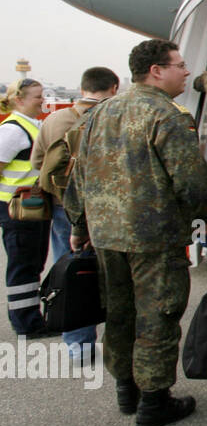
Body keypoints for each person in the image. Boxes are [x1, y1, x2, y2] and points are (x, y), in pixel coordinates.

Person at [65, 40, 207, 426]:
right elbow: (192, 182)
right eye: (179, 65)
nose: (186, 72)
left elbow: (78, 176)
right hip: (154, 237)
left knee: (119, 314)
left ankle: (125, 389)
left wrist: (80, 227)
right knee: (158, 315)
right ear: (156, 71)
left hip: (106, 236)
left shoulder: (99, 114)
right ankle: (154, 401)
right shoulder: (166, 116)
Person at [33, 66, 120, 354]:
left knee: (71, 268)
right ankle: (118, 340)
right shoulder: (113, 117)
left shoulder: (55, 119)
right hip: (107, 207)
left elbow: (37, 163)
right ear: (113, 88)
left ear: (83, 88)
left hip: (63, 206)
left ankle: (78, 344)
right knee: (114, 271)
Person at [0, 79, 51, 336]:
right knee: (22, 266)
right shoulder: (13, 130)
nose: (42, 100)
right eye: (37, 97)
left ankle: (32, 320)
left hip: (32, 207)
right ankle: (26, 325)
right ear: (19, 100)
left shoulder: (31, 126)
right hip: (17, 209)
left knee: (31, 264)